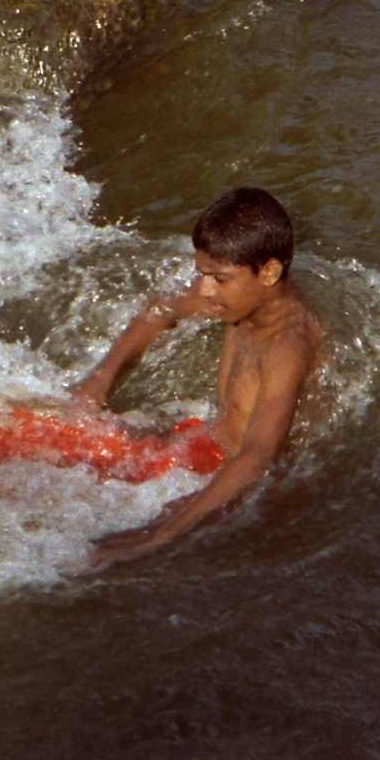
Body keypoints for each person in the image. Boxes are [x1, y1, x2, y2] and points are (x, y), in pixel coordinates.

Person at [69, 187, 322, 569]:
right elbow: (163, 309)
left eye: (218, 279)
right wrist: (100, 379)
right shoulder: (245, 295)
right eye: (202, 274)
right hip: (199, 445)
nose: (204, 290)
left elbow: (258, 456)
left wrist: (165, 535)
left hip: (219, 480)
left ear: (269, 272)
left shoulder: (288, 345)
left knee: (79, 543)